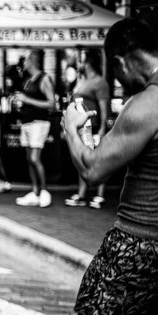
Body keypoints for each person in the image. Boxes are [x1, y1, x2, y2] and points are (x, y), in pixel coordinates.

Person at [62, 17, 158, 315]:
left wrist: (72, 130)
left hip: (139, 236)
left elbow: (93, 170)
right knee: (151, 311)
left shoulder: (148, 103)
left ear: (121, 59)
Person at [64, 50, 110, 209]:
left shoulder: (99, 82)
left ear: (88, 63)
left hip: (94, 126)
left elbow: (104, 108)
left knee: (98, 159)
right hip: (80, 126)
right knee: (81, 158)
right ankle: (82, 194)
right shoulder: (83, 81)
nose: (80, 64)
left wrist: (103, 129)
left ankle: (99, 195)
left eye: (83, 61)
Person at [14, 49, 55, 207]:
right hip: (27, 121)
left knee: (34, 158)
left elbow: (51, 104)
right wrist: (21, 102)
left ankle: (44, 191)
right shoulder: (28, 80)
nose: (24, 63)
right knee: (28, 158)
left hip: (39, 122)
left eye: (26, 60)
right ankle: (35, 191)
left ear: (33, 61)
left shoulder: (44, 79)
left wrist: (27, 100)